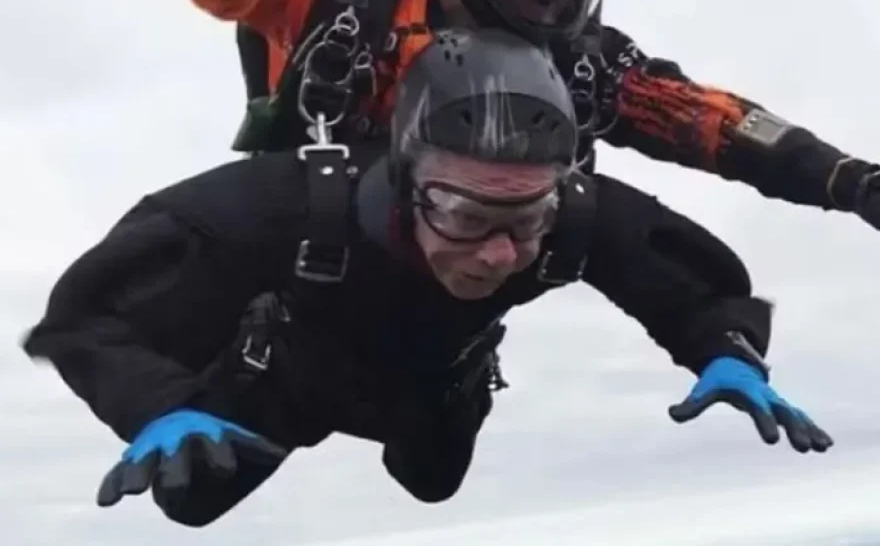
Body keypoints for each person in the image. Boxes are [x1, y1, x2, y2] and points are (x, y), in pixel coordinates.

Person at [22, 27, 831, 529]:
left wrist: (725, 350)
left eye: (526, 219)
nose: (497, 254)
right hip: (293, 370)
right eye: (464, 214)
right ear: (407, 178)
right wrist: (155, 407)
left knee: (432, 485)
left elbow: (687, 276)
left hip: (433, 375)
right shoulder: (280, 208)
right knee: (191, 501)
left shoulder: (575, 215)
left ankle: (465, 376)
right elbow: (86, 314)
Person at [135, 0, 880, 231]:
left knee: (434, 466)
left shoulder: (580, 60)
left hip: (471, 254)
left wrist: (847, 180)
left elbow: (704, 119)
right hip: (321, 230)